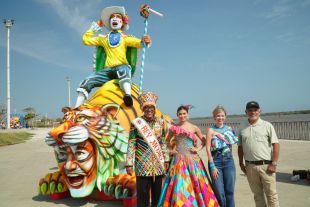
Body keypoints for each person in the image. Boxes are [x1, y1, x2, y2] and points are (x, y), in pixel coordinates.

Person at [75, 6, 151, 107]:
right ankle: (76, 108)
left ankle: (127, 95)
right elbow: (86, 40)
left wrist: (144, 41)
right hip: (107, 72)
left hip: (121, 67)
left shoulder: (125, 38)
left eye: (118, 17)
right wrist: (95, 27)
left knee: (124, 70)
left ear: (122, 22)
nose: (115, 18)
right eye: (112, 17)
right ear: (109, 22)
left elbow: (139, 43)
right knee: (86, 81)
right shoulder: (103, 39)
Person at [158, 105, 219, 207]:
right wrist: (171, 151)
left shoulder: (194, 127)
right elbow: (166, 141)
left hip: (193, 160)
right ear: (177, 115)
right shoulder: (174, 128)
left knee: (197, 183)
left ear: (188, 115)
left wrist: (197, 149)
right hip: (178, 160)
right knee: (179, 183)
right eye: (180, 114)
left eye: (184, 113)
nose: (182, 116)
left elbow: (204, 141)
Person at [126, 91, 170, 207]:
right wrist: (129, 163)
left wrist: (166, 159)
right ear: (142, 108)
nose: (149, 110)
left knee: (157, 195)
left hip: (158, 164)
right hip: (142, 165)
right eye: (146, 107)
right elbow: (131, 143)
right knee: (142, 196)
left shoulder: (161, 122)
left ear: (154, 109)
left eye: (151, 107)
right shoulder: (136, 123)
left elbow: (163, 143)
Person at [238, 101, 280, 207]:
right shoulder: (242, 126)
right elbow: (240, 146)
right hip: (250, 167)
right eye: (250, 110)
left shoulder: (267, 125)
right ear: (246, 112)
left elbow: (276, 144)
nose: (253, 112)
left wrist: (274, 163)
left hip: (266, 166)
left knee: (272, 195)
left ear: (259, 111)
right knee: (257, 195)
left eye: (255, 110)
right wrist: (241, 163)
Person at [206, 105, 239, 207]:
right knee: (219, 192)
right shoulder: (210, 130)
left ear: (225, 116)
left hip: (229, 161)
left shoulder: (229, 128)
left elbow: (232, 144)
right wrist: (212, 166)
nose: (220, 118)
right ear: (214, 117)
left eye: (222, 116)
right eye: (218, 116)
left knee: (230, 191)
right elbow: (207, 148)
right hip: (216, 162)